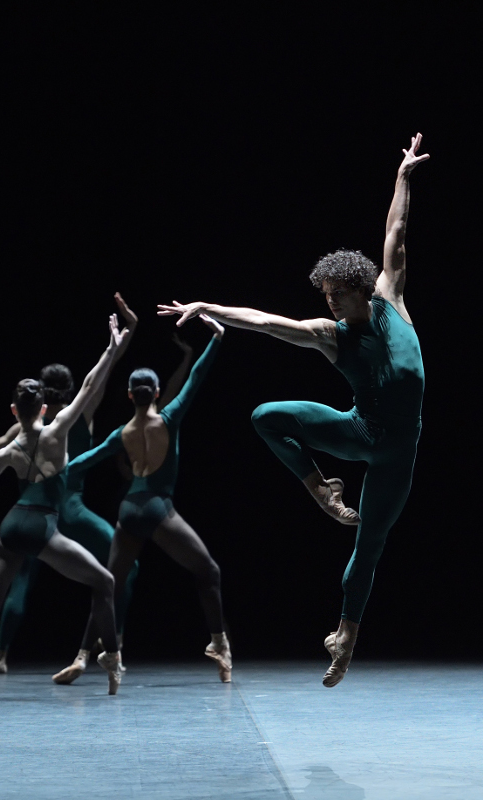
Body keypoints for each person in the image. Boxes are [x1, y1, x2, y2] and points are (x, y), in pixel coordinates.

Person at [158, 133, 429, 687]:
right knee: (265, 416)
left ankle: (346, 638)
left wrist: (402, 175)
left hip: (399, 451)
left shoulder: (389, 298)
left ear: (357, 286)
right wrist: (208, 306)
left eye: (334, 293)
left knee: (370, 543)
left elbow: (395, 233)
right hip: (360, 431)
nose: (326, 302)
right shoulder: (328, 335)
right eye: (323, 294)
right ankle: (318, 489)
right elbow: (264, 321)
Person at [0, 293, 140, 675]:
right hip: (66, 511)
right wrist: (124, 334)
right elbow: (97, 377)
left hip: (20, 518)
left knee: (10, 586)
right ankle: (103, 647)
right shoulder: (71, 418)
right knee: (119, 570)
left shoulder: (16, 430)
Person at [52, 314, 232, 685]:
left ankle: (85, 656)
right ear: (156, 393)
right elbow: (196, 378)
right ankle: (219, 644)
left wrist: (52, 473)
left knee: (109, 583)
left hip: (129, 511)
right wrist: (216, 337)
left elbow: (85, 461)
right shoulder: (169, 417)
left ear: (131, 395)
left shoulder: (122, 433)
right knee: (208, 572)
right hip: (158, 509)